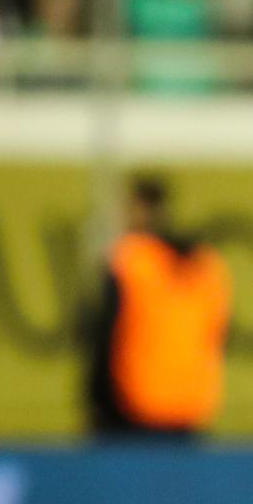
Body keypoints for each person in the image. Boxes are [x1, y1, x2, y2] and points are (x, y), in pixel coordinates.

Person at [86, 175, 232, 439]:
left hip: (133, 408)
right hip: (191, 408)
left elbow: (105, 335)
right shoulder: (207, 265)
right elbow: (221, 334)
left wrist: (96, 403)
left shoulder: (130, 261)